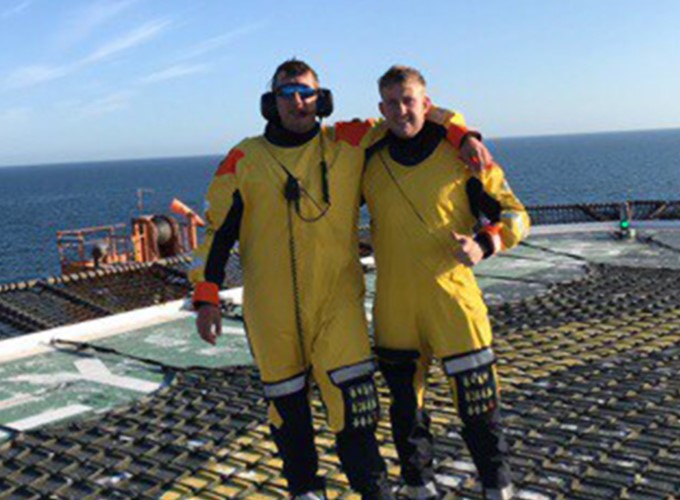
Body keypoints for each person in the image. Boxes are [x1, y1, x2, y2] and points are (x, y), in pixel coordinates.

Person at [189, 59, 492, 499]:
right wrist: (207, 296)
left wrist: (464, 134)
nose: (298, 101)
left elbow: (414, 111)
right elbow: (218, 232)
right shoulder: (243, 159)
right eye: (287, 93)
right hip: (272, 318)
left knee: (357, 413)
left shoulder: (349, 142)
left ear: (322, 99)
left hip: (337, 309)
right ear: (270, 103)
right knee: (289, 420)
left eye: (307, 92)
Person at [362, 65, 530, 500]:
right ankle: (419, 488)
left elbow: (515, 215)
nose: (402, 111)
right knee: (406, 412)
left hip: (454, 304)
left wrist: (484, 244)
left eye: (410, 100)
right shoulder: (367, 158)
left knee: (478, 406)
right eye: (393, 103)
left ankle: (498, 487)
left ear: (427, 103)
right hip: (395, 308)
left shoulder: (462, 155)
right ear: (381, 109)